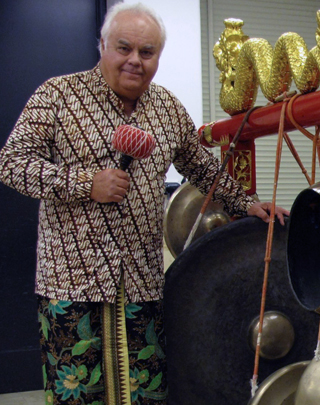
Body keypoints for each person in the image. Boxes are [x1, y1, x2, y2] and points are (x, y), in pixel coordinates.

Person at [0, 3, 288, 403]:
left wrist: (248, 203)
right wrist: (86, 183)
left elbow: (201, 167)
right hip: (70, 283)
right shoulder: (57, 96)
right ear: (102, 45)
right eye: (124, 48)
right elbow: (12, 164)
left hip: (140, 282)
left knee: (147, 394)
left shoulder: (167, 109)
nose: (135, 60)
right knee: (77, 396)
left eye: (147, 52)